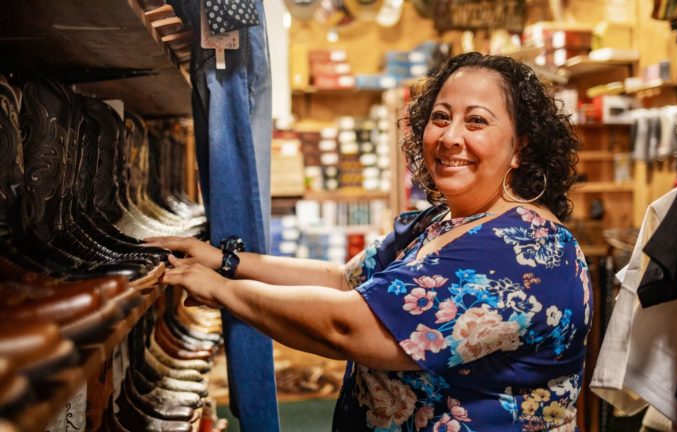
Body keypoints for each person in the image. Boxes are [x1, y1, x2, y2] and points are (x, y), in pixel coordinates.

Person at [148, 52, 591, 431]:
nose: (450, 136)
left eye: (477, 121)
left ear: (520, 147)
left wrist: (222, 289)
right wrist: (225, 261)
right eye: (441, 117)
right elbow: (343, 281)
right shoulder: (439, 222)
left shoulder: (522, 249)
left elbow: (348, 326)